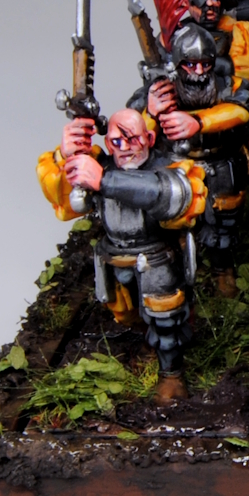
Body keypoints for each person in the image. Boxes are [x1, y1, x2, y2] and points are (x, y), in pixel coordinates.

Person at [36, 109, 207, 401]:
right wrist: (65, 156)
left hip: (156, 259)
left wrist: (105, 181)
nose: (125, 148)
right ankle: (148, 341)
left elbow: (173, 196)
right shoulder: (99, 166)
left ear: (149, 137)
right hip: (115, 258)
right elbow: (64, 201)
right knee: (127, 312)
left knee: (165, 319)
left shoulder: (168, 166)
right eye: (116, 142)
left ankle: (172, 374)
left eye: (133, 139)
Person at [131, 21, 249, 252]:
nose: (200, 71)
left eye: (205, 64)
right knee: (175, 219)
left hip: (221, 164)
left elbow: (244, 109)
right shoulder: (159, 90)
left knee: (225, 224)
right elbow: (133, 130)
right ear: (178, 63)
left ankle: (222, 266)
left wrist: (198, 122)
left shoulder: (228, 84)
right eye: (191, 64)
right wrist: (151, 112)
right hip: (177, 166)